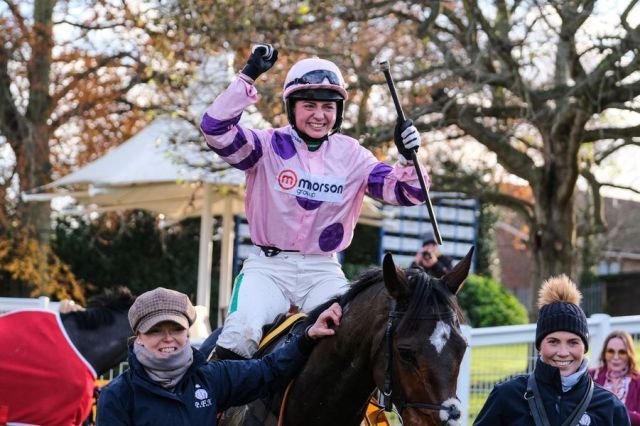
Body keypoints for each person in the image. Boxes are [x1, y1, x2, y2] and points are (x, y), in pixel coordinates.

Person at [199, 44, 428, 359]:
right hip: (267, 269)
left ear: (339, 111)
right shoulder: (264, 146)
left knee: (351, 340)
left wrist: (408, 157)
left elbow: (407, 193)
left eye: (329, 107)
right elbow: (214, 128)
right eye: (309, 105)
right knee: (241, 331)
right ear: (291, 107)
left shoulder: (353, 156)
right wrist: (248, 77)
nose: (320, 115)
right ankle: (216, 406)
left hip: (323, 270)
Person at [96, 287, 342, 425]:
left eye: (177, 329)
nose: (168, 338)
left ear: (187, 331)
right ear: (139, 336)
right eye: (155, 331)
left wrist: (308, 336)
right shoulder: (117, 395)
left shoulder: (211, 377)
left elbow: (270, 371)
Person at [474, 275, 630, 425]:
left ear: (584, 347)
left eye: (573, 342)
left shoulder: (610, 408)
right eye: (553, 342)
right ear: (539, 345)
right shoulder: (507, 396)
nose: (563, 352)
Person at [589, 330, 640, 425]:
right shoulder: (590, 376)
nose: (616, 357)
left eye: (622, 352)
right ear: (604, 354)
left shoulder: (638, 382)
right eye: (611, 351)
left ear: (629, 354)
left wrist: (611, 410)